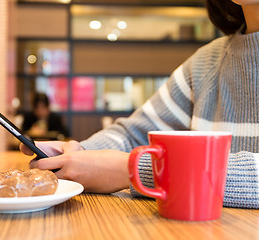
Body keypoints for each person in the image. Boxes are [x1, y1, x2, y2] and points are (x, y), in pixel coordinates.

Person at [21, 0, 259, 208]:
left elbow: (131, 158)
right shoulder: (206, 63)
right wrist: (78, 154)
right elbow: (135, 134)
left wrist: (135, 170)